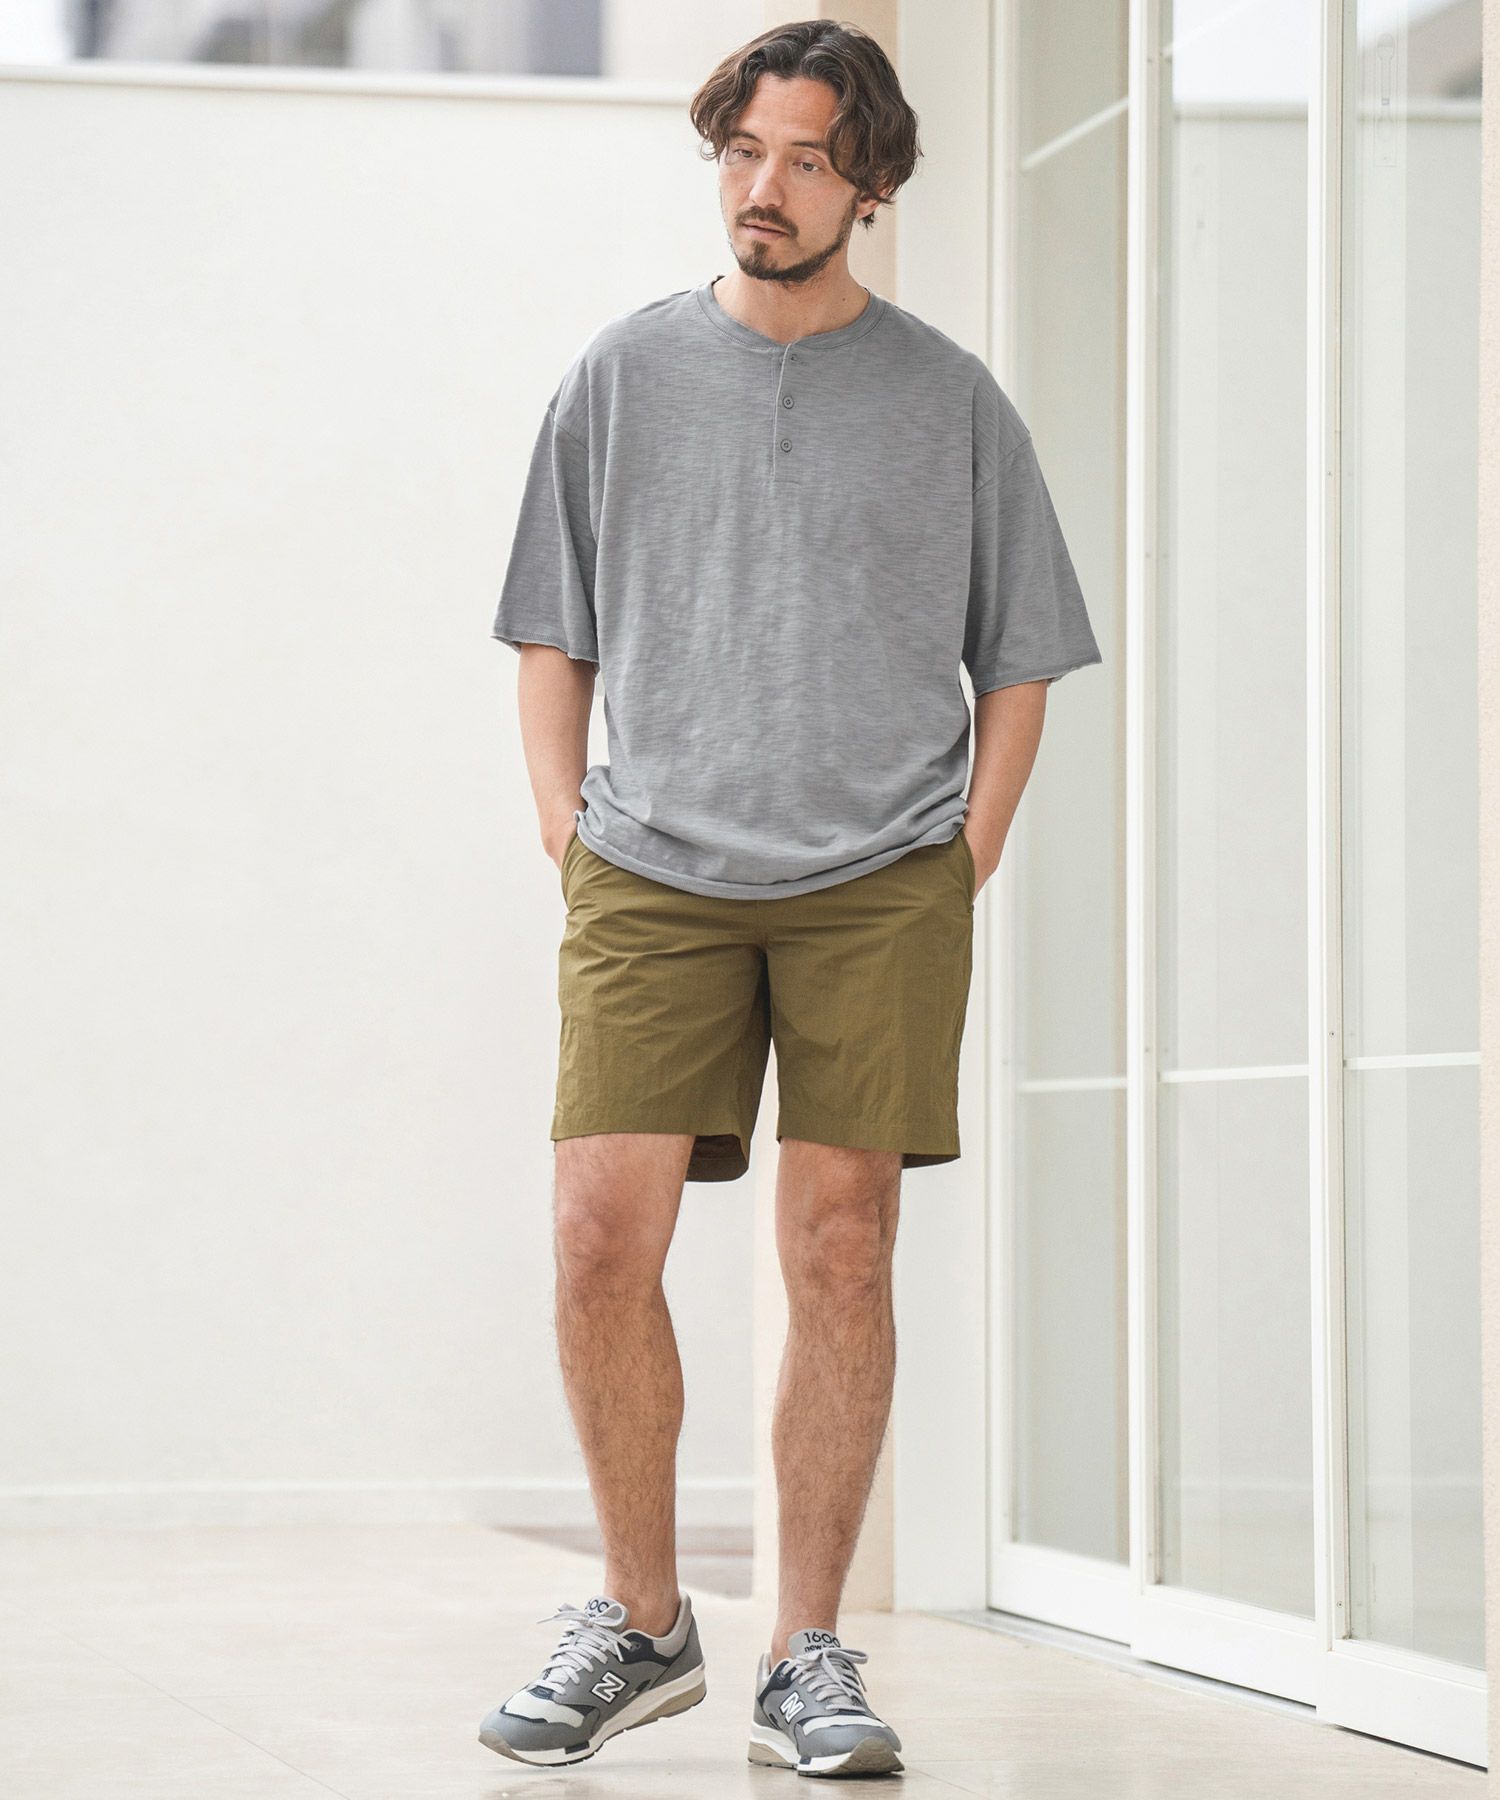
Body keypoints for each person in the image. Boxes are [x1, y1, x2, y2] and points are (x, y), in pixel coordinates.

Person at [477, 18, 1101, 1780]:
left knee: (841, 1248)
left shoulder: (952, 403)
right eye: (746, 150)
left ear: (870, 185)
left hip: (878, 884)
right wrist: (566, 830)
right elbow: (551, 630)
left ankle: (805, 1654)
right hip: (650, 875)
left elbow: (1022, 657)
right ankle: (642, 1619)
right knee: (599, 1239)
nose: (767, 186)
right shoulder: (620, 376)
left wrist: (966, 853)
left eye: (810, 159)